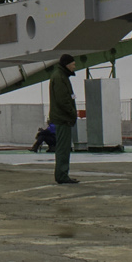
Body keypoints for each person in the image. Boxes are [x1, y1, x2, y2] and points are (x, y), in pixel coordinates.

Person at [47, 54, 79, 185]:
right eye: (73, 64)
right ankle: (62, 175)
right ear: (67, 64)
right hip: (63, 118)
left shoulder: (60, 76)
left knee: (63, 148)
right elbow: (63, 100)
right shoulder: (60, 77)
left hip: (62, 117)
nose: (74, 66)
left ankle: (62, 174)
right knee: (63, 148)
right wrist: (72, 113)